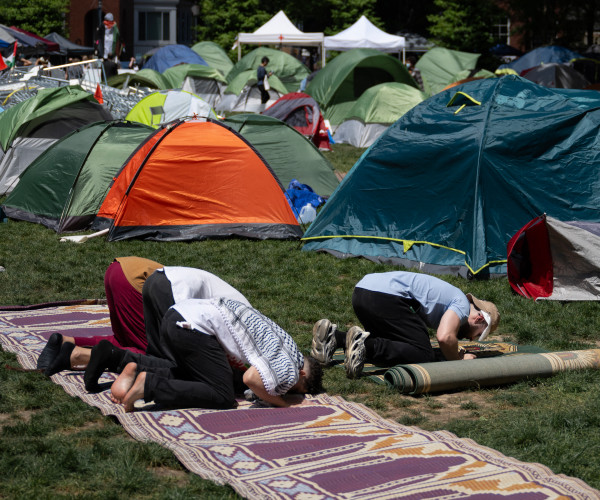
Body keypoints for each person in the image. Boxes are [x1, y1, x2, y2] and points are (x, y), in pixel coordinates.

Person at [37, 260, 250, 386]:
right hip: (137, 282)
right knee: (151, 351)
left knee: (124, 338)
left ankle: (67, 343)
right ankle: (84, 356)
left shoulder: (242, 313)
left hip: (120, 269)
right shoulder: (244, 326)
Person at [109, 297, 324, 411]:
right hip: (192, 327)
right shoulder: (290, 366)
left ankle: (138, 370)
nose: (290, 389)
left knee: (202, 379)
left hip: (176, 316)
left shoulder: (283, 342)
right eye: (299, 389)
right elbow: (251, 380)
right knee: (223, 396)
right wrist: (282, 403)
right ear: (302, 376)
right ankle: (149, 386)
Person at [311, 271, 500, 379]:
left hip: (362, 292)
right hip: (387, 297)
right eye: (479, 335)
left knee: (397, 342)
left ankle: (333, 338)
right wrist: (458, 362)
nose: (470, 339)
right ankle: (363, 345)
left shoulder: (452, 298)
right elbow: (444, 337)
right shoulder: (461, 305)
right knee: (422, 353)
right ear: (480, 319)